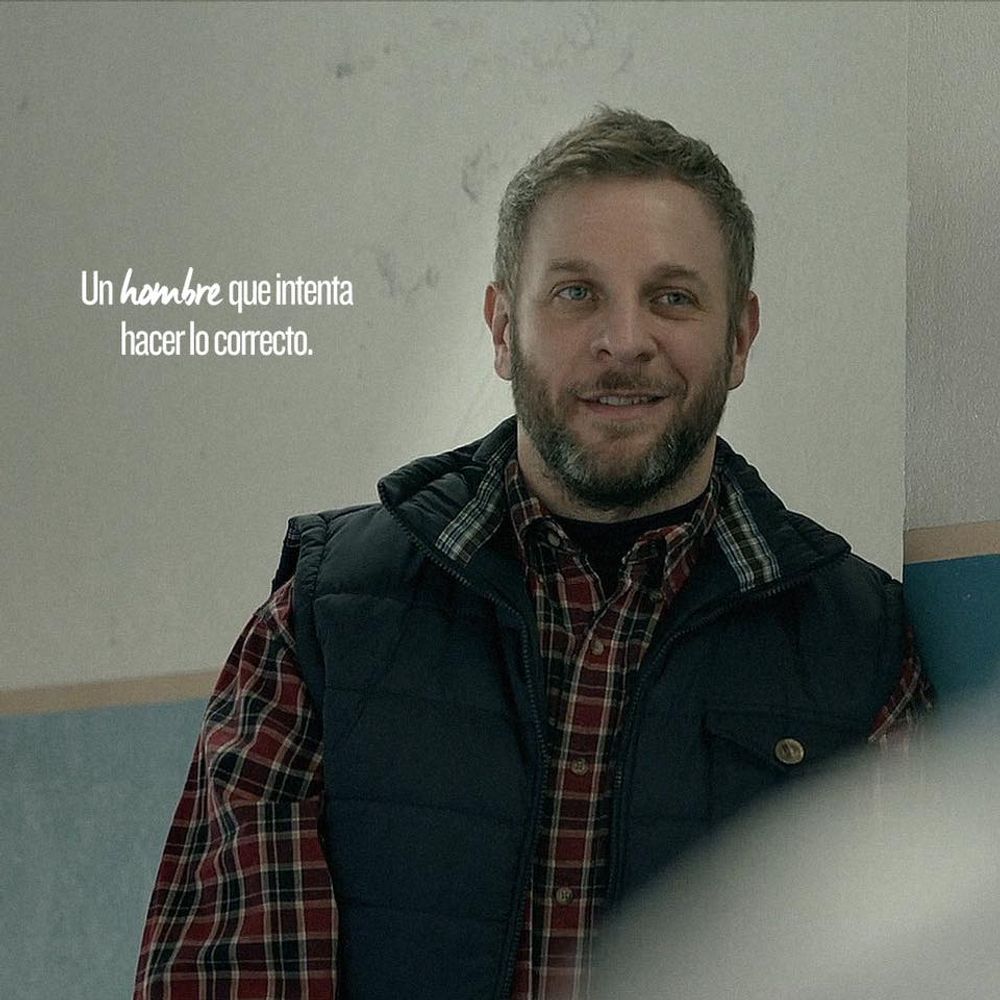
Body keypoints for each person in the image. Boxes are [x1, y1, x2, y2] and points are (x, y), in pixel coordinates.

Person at [133, 107, 932, 1000]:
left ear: (739, 338)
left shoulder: (863, 648)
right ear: (501, 326)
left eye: (672, 297)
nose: (624, 340)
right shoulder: (321, 624)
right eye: (576, 293)